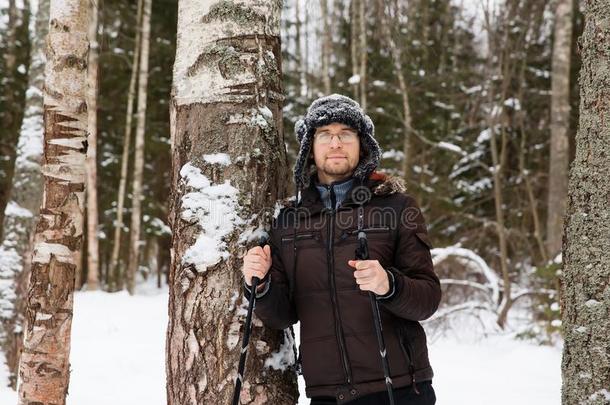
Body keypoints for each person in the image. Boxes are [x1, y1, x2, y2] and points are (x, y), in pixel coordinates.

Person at [242, 94, 441, 404]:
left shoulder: (398, 207)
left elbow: (427, 299)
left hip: (400, 389)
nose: (336, 143)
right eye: (325, 135)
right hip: (328, 395)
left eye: (346, 134)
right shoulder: (288, 221)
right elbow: (282, 316)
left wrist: (389, 284)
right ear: (310, 149)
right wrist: (262, 284)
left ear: (362, 146)